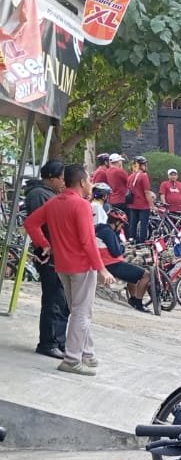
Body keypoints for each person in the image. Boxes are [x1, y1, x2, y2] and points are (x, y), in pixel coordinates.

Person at [23, 165, 115, 376]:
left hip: (62, 265)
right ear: (82, 182)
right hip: (82, 266)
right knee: (82, 312)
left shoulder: (54, 201)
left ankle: (87, 353)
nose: (91, 184)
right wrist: (101, 269)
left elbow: (30, 223)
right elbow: (87, 241)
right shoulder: (81, 205)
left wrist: (44, 244)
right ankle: (73, 359)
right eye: (90, 180)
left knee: (78, 310)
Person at [24, 161, 69, 359]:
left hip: (60, 253)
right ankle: (48, 341)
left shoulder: (52, 195)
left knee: (61, 299)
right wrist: (45, 245)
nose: (63, 182)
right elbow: (38, 224)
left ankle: (59, 340)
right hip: (48, 255)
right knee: (53, 300)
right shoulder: (39, 195)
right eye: (61, 178)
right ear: (51, 177)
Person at [96, 208, 154, 311]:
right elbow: (116, 252)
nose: (122, 227)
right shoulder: (108, 233)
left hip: (104, 262)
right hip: (111, 264)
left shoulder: (100, 228)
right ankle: (138, 302)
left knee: (132, 271)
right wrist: (123, 247)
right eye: (121, 224)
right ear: (117, 222)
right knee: (146, 275)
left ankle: (132, 298)